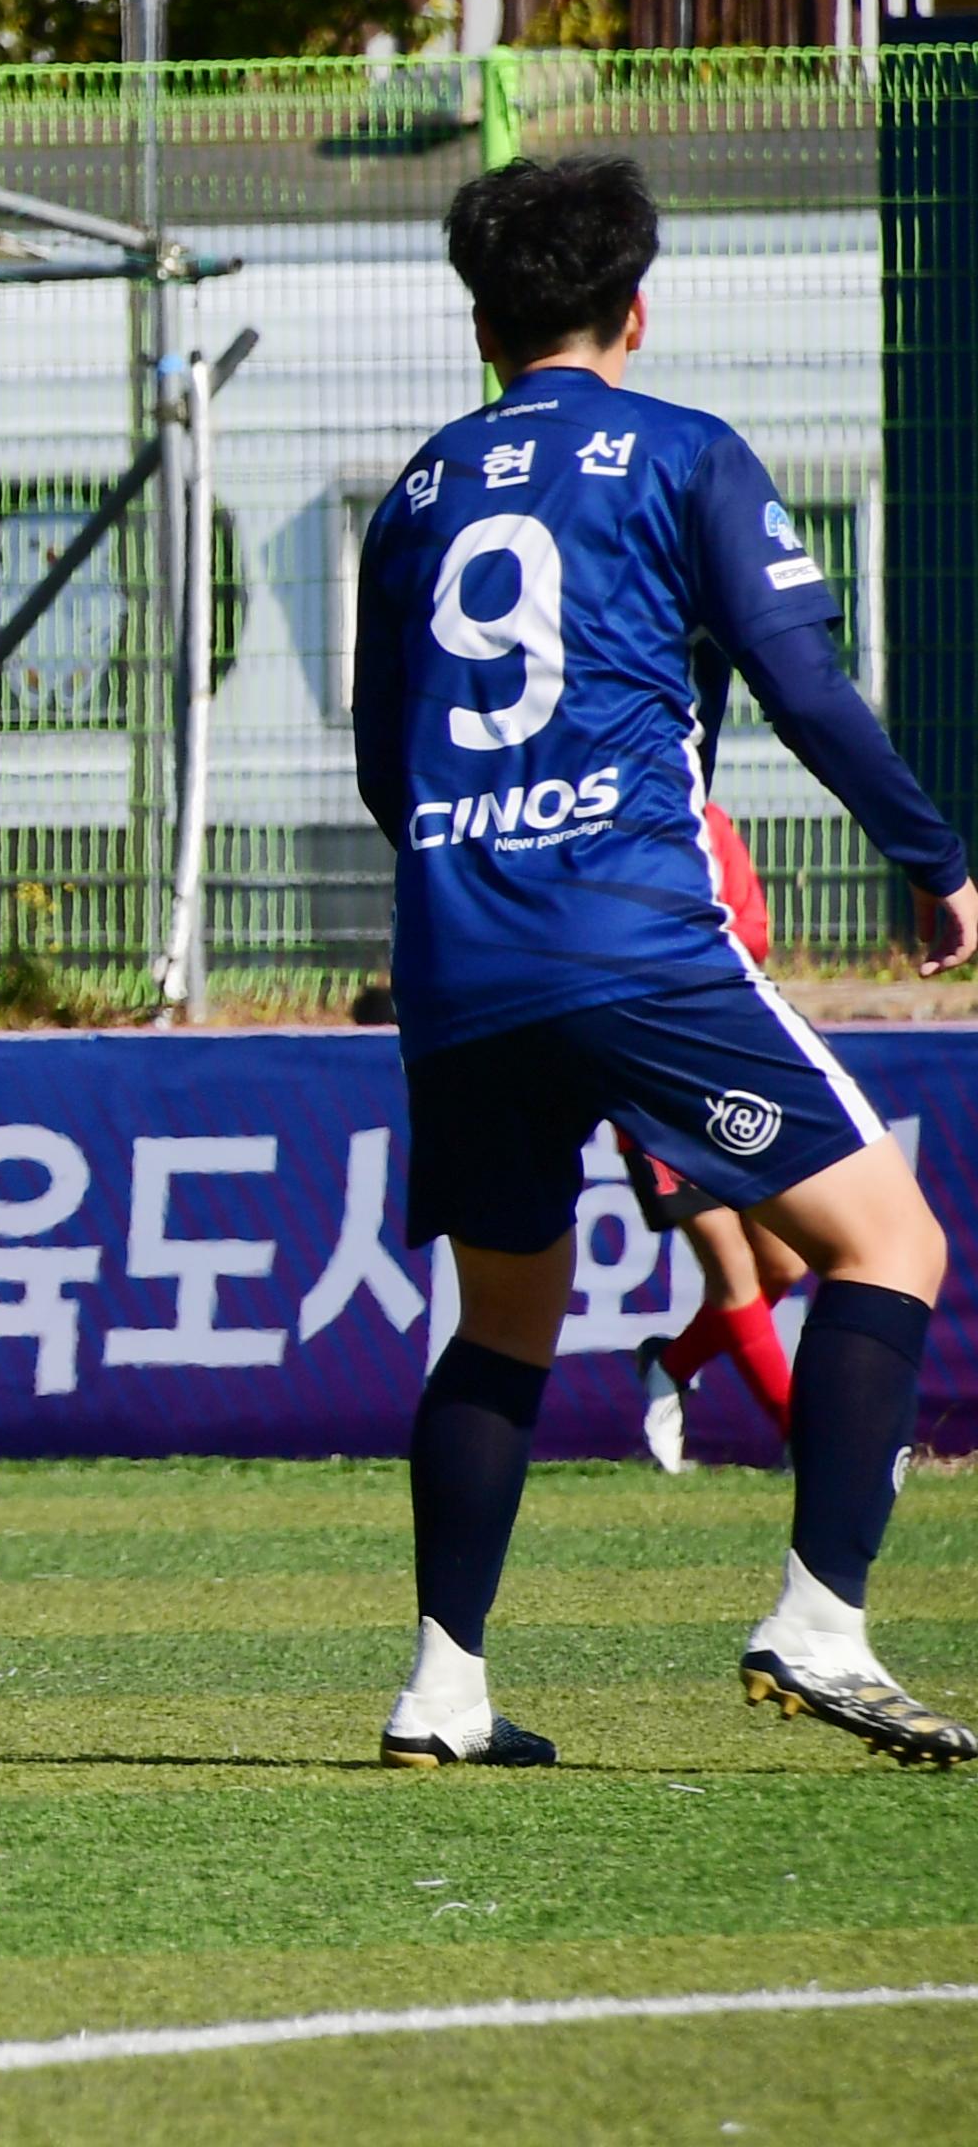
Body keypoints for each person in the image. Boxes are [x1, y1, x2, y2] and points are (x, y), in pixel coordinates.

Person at [354, 154, 976, 1769]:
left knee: (498, 1317)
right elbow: (803, 686)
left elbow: (380, 762)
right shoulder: (684, 453)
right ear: (632, 307)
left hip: (454, 949)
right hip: (632, 933)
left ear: (479, 325)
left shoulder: (411, 495)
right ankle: (817, 1623)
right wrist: (935, 856)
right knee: (887, 1241)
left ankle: (441, 1688)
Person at [621, 802, 801, 1474]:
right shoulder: (600, 826)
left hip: (734, 1070)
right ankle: (804, 1441)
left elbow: (753, 931)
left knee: (781, 1264)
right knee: (732, 1271)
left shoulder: (706, 820)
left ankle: (671, 1364)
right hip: (651, 1084)